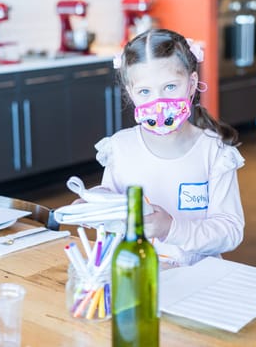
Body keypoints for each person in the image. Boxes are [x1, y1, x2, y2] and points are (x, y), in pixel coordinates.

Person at [94, 29, 245, 266]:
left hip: (198, 280)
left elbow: (230, 231)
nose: (159, 102)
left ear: (192, 83)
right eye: (145, 91)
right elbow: (111, 210)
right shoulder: (119, 148)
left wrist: (172, 229)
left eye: (170, 87)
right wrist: (93, 205)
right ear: (130, 94)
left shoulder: (215, 153)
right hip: (134, 275)